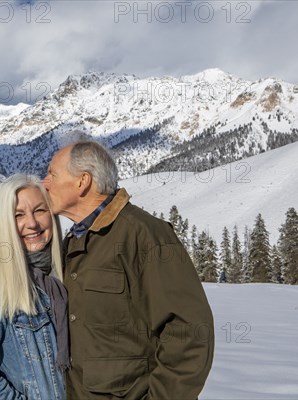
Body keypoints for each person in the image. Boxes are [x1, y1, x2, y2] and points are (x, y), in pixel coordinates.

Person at [43, 141, 214, 400]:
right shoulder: (75, 240)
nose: (45, 183)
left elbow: (189, 332)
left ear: (83, 182)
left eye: (52, 174)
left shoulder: (144, 235)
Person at [0, 174, 69, 400]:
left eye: (39, 210)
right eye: (18, 215)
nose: (32, 223)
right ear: (3, 224)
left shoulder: (65, 274)